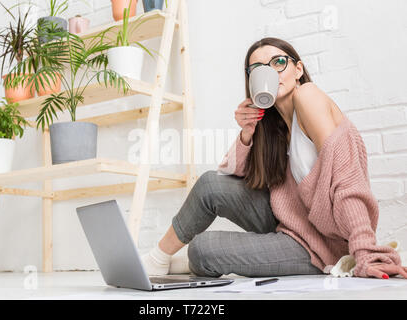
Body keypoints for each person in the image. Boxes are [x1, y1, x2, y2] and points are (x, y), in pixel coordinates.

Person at [141, 37, 407, 280]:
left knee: (202, 249)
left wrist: (364, 250)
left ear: (298, 70)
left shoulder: (308, 96)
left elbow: (347, 179)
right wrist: (247, 134)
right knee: (210, 183)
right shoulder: (273, 127)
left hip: (323, 245)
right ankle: (157, 260)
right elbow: (229, 174)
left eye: (278, 62)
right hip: (291, 222)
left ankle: (189, 260)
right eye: (257, 69)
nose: (268, 72)